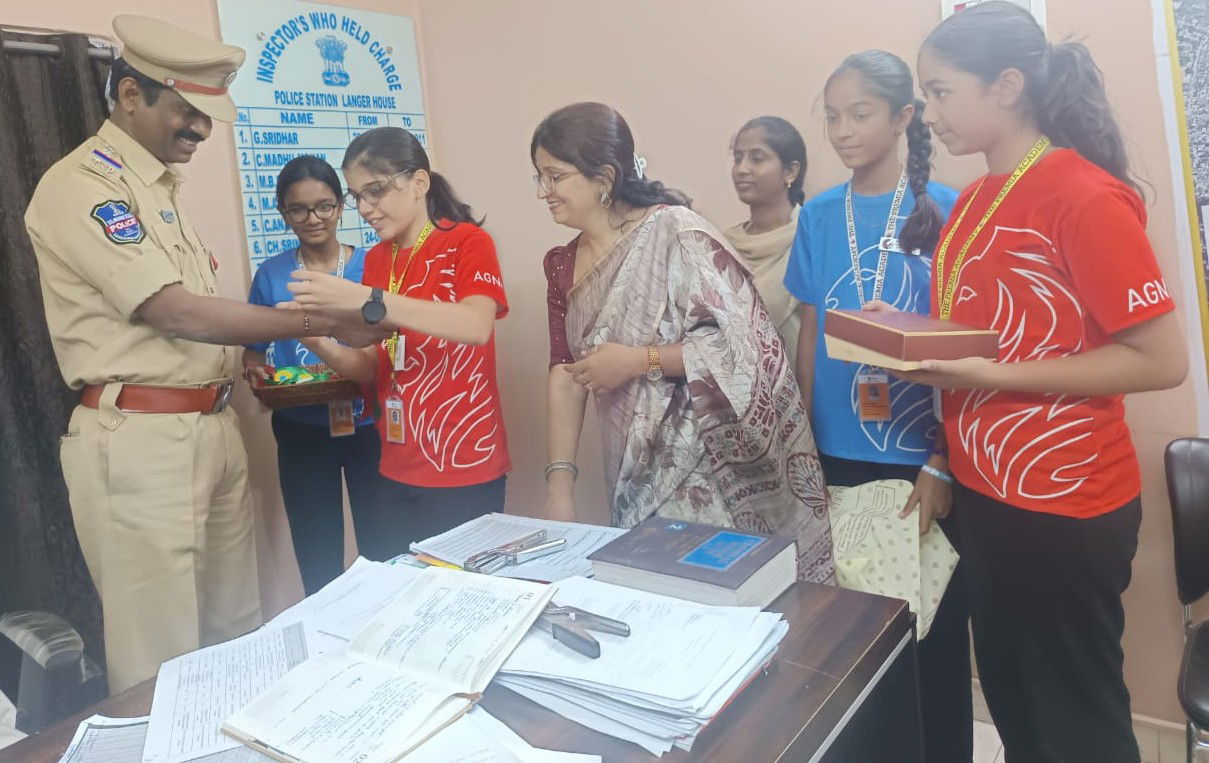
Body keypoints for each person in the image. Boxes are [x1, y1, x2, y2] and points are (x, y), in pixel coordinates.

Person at [24, 15, 383, 694]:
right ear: (132, 94)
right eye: (186, 111)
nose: (199, 129)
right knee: (159, 662)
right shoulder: (84, 186)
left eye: (206, 116)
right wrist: (318, 319)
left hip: (213, 428)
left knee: (235, 639)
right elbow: (174, 311)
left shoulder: (161, 192)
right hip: (143, 438)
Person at [897, 3, 1188, 759]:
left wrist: (990, 373)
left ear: (1007, 86)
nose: (929, 115)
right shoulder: (975, 199)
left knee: (1075, 720)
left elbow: (1161, 360)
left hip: (1064, 499)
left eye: (941, 92)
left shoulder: (1081, 193)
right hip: (985, 493)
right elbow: (986, 335)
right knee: (1016, 703)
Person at [534, 102, 835, 584]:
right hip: (630, 473)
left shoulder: (676, 232)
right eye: (539, 177)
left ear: (603, 177)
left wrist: (637, 361)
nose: (542, 192)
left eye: (555, 177)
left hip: (705, 464)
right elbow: (566, 374)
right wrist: (559, 490)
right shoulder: (561, 265)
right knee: (648, 592)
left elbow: (747, 350)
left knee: (713, 597)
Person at [782, 50, 969, 761]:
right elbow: (809, 330)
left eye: (859, 114)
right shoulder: (818, 215)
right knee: (847, 638)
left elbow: (962, 345)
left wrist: (942, 460)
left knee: (929, 635)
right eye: (832, 117)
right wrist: (803, 439)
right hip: (836, 452)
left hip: (922, 458)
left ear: (902, 117)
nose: (841, 131)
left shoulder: (946, 209)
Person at [288, 127, 511, 555]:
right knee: (398, 587)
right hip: (394, 461)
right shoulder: (378, 259)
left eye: (375, 191)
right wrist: (313, 336)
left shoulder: (467, 242)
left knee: (459, 589)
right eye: (357, 196)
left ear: (419, 183)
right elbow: (370, 365)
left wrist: (368, 299)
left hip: (463, 460)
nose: (365, 208)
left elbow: (475, 325)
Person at [242, 156, 387, 595]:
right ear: (283, 213)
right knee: (317, 554)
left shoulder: (373, 266)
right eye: (299, 209)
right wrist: (255, 370)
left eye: (324, 206)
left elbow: (395, 343)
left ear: (340, 206)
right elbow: (254, 348)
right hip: (300, 428)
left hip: (371, 424)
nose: (313, 218)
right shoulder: (271, 274)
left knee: (384, 550)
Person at [722, 116, 806, 369]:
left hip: (799, 386)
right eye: (738, 158)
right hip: (736, 386)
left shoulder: (809, 238)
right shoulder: (724, 244)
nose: (742, 169)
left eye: (757, 159)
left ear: (790, 171)